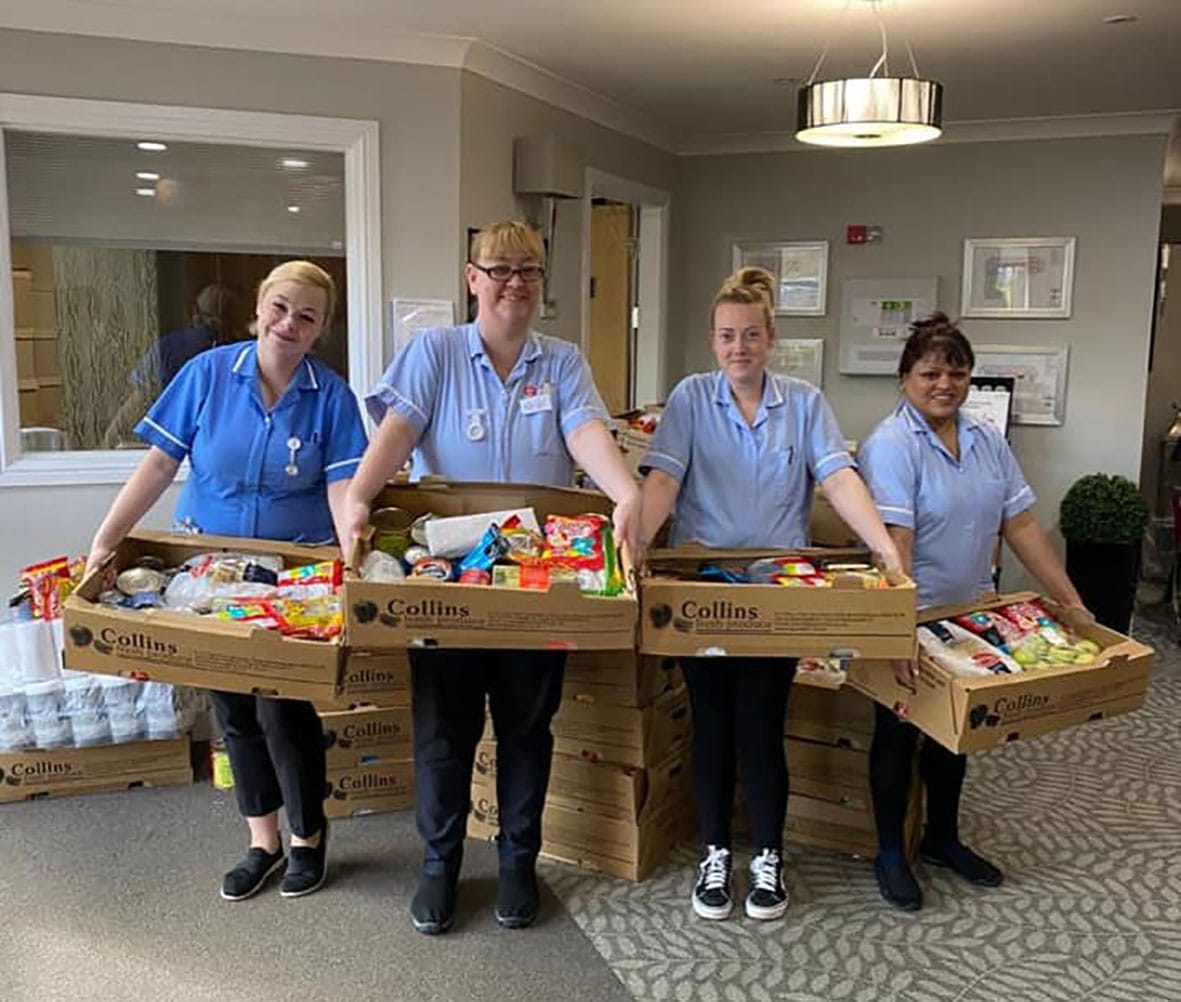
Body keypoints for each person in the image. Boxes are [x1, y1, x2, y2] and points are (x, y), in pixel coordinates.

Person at [343, 220, 641, 936]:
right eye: (500, 269)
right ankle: (439, 864)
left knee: (526, 728)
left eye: (529, 272)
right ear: (471, 277)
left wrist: (624, 492)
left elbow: (584, 432)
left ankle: (516, 861)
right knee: (443, 730)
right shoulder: (435, 353)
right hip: (445, 579)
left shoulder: (561, 361)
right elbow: (400, 433)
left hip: (533, 583)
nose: (515, 283)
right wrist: (357, 495)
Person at [85, 261, 368, 902]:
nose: (289, 323)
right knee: (234, 712)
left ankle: (307, 838)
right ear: (258, 308)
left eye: (307, 315)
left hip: (293, 578)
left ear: (322, 329)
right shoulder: (208, 376)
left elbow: (342, 485)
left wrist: (355, 551)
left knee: (283, 707)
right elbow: (160, 462)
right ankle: (260, 840)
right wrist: (108, 536)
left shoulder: (331, 397)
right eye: (280, 307)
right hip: (212, 576)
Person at [637, 267, 903, 922]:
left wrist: (882, 546)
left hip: (776, 594)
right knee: (711, 728)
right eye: (727, 336)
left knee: (760, 728)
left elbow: (836, 477)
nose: (738, 348)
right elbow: (664, 483)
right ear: (711, 339)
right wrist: (630, 549)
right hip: (703, 592)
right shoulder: (691, 399)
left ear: (770, 338)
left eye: (750, 335)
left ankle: (768, 857)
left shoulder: (804, 403)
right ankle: (714, 853)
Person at [858, 313, 1087, 911]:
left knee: (957, 734)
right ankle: (889, 852)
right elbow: (895, 544)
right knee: (898, 732)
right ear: (905, 377)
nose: (945, 383)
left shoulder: (986, 439)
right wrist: (897, 629)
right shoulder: (891, 444)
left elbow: (1021, 524)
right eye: (930, 372)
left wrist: (1068, 598)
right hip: (910, 613)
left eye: (957, 372)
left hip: (968, 615)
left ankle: (942, 839)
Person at [102, 283, 242, 448]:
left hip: (172, 446)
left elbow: (141, 396)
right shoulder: (246, 355)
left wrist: (111, 436)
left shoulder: (169, 346)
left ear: (196, 312)